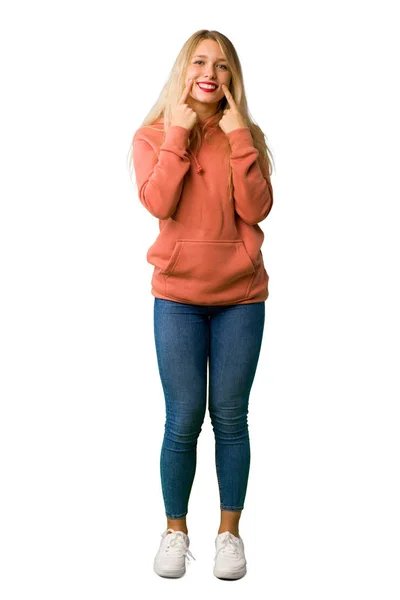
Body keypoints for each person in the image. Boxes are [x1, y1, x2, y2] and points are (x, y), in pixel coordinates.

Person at [128, 29, 274, 580]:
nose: (210, 72)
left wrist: (239, 138)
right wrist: (179, 138)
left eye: (222, 65)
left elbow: (257, 210)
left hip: (240, 298)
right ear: (183, 70)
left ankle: (229, 536)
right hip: (177, 299)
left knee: (231, 419)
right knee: (183, 419)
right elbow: (158, 201)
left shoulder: (246, 134)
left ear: (233, 79)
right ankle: (175, 531)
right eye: (200, 62)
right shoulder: (153, 136)